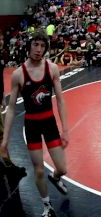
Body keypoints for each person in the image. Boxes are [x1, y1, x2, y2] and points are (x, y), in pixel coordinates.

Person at [0, 30, 69, 217]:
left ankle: (55, 178)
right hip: (31, 125)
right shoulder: (18, 74)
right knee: (38, 170)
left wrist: (66, 129)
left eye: (42, 46)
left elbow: (61, 101)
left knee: (62, 168)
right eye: (35, 45)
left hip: (49, 123)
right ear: (29, 46)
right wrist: (5, 141)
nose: (39, 50)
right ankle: (47, 206)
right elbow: (12, 108)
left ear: (46, 48)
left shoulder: (52, 69)